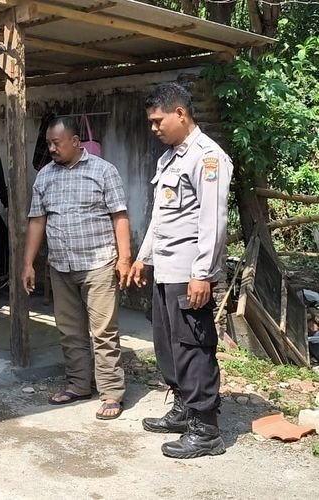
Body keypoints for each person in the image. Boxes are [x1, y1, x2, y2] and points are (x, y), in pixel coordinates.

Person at [128, 82, 233, 459]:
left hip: (190, 273)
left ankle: (206, 430)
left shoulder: (208, 157)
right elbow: (161, 218)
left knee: (193, 348)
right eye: (151, 122)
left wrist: (203, 273)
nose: (154, 128)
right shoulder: (169, 158)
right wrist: (143, 256)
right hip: (166, 271)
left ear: (180, 114)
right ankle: (184, 407)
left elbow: (213, 222)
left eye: (158, 121)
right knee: (168, 345)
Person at [22, 117, 131, 420]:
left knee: (103, 332)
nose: (52, 148)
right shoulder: (45, 175)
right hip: (60, 265)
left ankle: (111, 392)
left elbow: (119, 216)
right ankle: (79, 385)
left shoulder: (103, 171)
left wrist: (124, 259)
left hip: (98, 264)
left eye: (57, 143)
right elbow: (37, 220)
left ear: (75, 141)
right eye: (48, 143)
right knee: (69, 331)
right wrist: (28, 263)